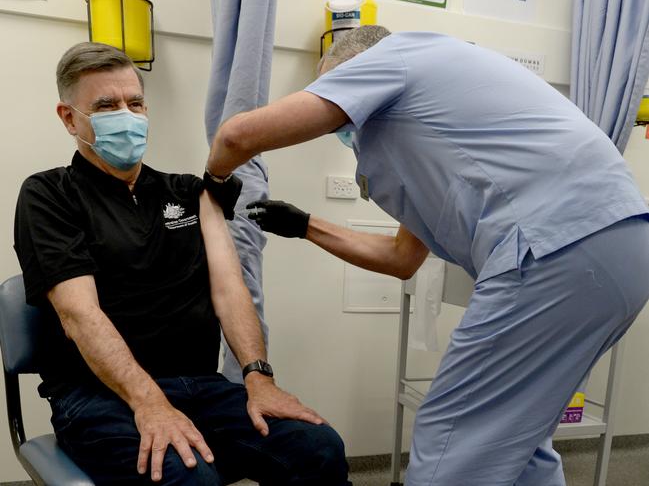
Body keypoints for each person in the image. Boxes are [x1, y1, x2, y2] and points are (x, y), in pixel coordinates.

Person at [206, 26, 649, 486]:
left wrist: (213, 182)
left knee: (448, 437)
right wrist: (305, 225)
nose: (342, 121)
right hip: (621, 245)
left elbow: (238, 136)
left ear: (355, 69)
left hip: (553, 248)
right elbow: (401, 258)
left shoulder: (398, 53)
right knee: (515, 442)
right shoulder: (441, 116)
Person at [13, 42, 352, 486]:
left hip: (200, 385)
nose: (126, 115)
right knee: (188, 475)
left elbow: (230, 291)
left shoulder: (189, 192)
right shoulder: (49, 195)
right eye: (106, 105)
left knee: (319, 448)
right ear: (69, 117)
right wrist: (149, 401)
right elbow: (79, 314)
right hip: (100, 395)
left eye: (134, 103)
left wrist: (258, 377)